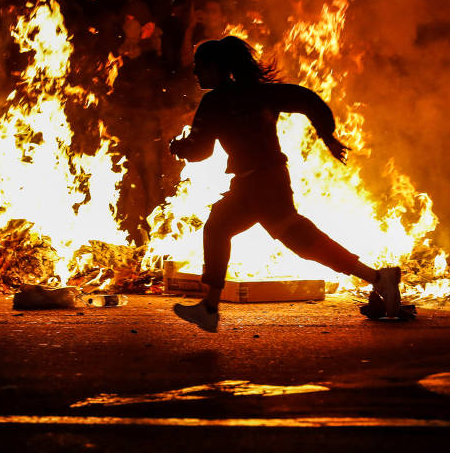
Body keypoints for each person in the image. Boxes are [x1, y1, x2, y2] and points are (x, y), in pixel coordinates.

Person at [169, 36, 402, 332]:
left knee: (298, 240)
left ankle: (379, 279)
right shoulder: (263, 93)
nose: (195, 73)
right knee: (218, 227)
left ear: (216, 67)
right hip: (258, 181)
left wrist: (179, 147)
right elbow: (309, 100)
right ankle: (209, 308)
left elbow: (200, 151)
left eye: (199, 66)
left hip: (261, 183)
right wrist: (327, 135)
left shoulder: (214, 101)